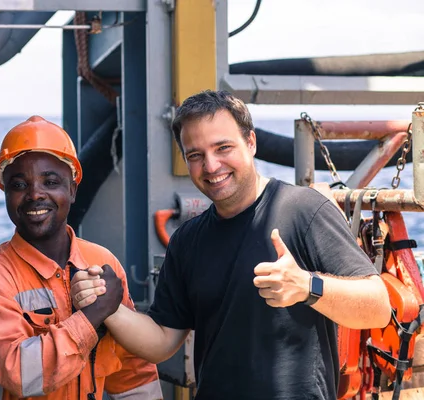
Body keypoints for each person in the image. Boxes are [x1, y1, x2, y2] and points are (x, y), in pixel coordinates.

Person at [70, 90, 392, 399]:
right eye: (195, 155)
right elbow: (162, 340)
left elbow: (378, 307)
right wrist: (107, 307)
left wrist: (307, 286)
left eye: (222, 148)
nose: (211, 166)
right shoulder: (187, 240)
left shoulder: (304, 210)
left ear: (250, 143)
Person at [0, 115, 162, 400]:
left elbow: (132, 371)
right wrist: (94, 314)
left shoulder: (102, 262)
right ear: (5, 194)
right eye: (18, 185)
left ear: (73, 190)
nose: (34, 195)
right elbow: (20, 375)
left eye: (50, 181)